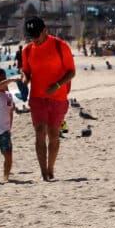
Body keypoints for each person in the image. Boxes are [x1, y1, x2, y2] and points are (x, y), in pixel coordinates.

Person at [20, 17, 76, 181]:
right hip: (37, 97)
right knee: (39, 132)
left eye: (37, 35)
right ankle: (44, 172)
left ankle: (51, 168)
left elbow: (71, 72)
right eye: (31, 36)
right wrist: (24, 80)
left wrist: (57, 85)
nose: (34, 39)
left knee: (53, 133)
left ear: (45, 30)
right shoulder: (27, 50)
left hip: (58, 97)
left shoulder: (60, 46)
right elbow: (26, 71)